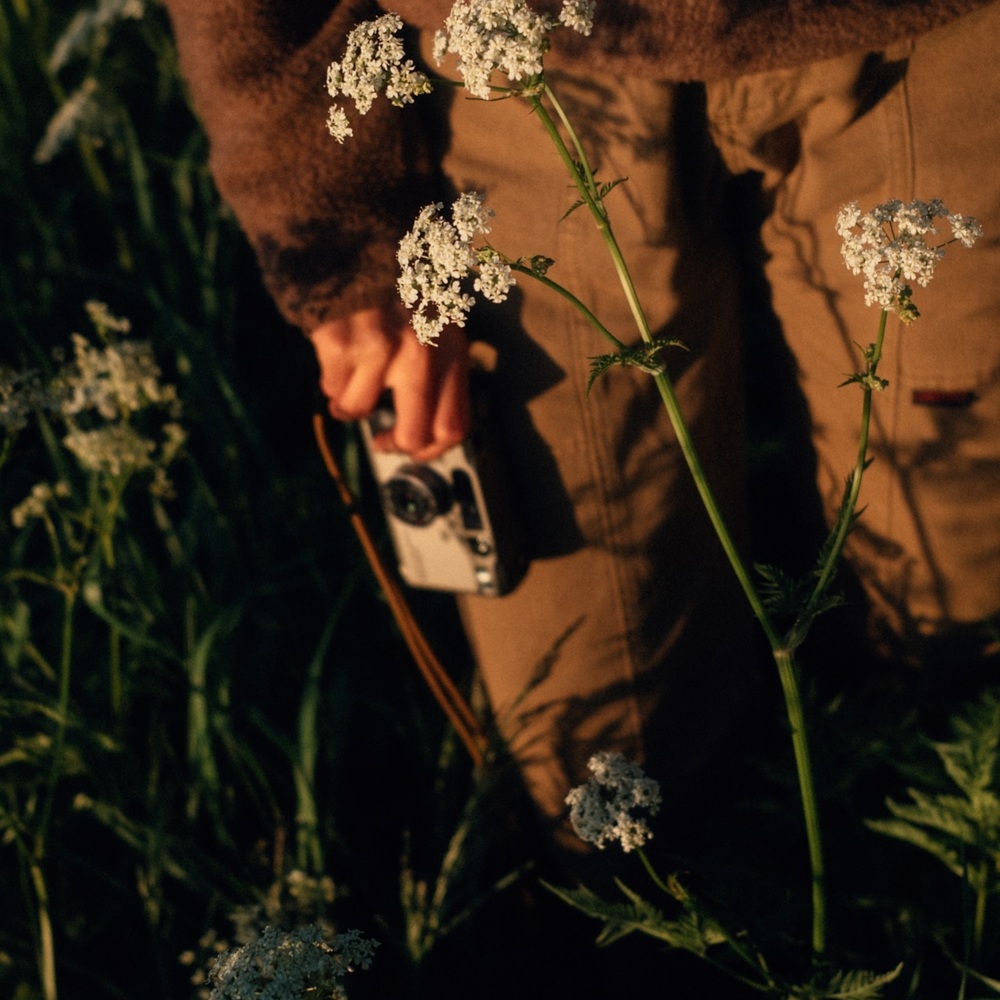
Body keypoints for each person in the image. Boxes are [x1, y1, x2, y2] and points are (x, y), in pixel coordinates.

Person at [161, 0, 1000, 866]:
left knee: (954, 630)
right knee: (598, 764)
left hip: (924, 38)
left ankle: (927, 905)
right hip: (522, 57)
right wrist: (331, 217)